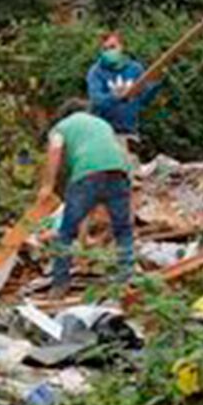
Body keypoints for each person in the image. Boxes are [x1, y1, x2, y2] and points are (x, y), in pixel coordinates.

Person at [40, 99, 135, 295]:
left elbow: (55, 151)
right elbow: (120, 153)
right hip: (119, 171)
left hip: (87, 174)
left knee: (65, 233)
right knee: (123, 230)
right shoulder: (103, 125)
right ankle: (127, 278)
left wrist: (47, 186)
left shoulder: (61, 127)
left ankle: (60, 284)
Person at [86, 31, 162, 143]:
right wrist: (117, 97)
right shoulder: (96, 72)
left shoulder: (135, 69)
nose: (109, 52)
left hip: (129, 132)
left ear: (121, 47)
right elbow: (97, 99)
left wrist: (155, 83)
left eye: (112, 47)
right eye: (105, 49)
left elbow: (143, 100)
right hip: (104, 134)